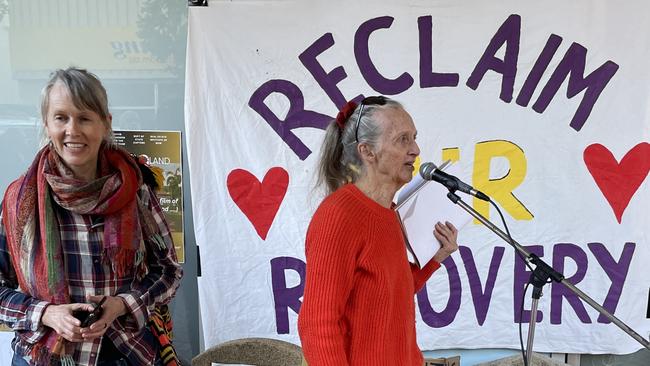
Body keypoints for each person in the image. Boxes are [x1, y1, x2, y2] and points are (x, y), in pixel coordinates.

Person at [0, 67, 183, 366]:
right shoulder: (19, 201)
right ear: (47, 124)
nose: (73, 130)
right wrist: (46, 313)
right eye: (61, 117)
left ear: (105, 124)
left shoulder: (135, 189)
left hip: (124, 353)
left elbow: (168, 271)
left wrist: (123, 305)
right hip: (45, 356)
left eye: (85, 118)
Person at [297, 96, 459, 365]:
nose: (416, 149)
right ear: (367, 152)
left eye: (414, 138)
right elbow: (318, 325)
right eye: (402, 139)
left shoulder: (389, 212)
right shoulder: (339, 215)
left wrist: (436, 258)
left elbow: (391, 294)